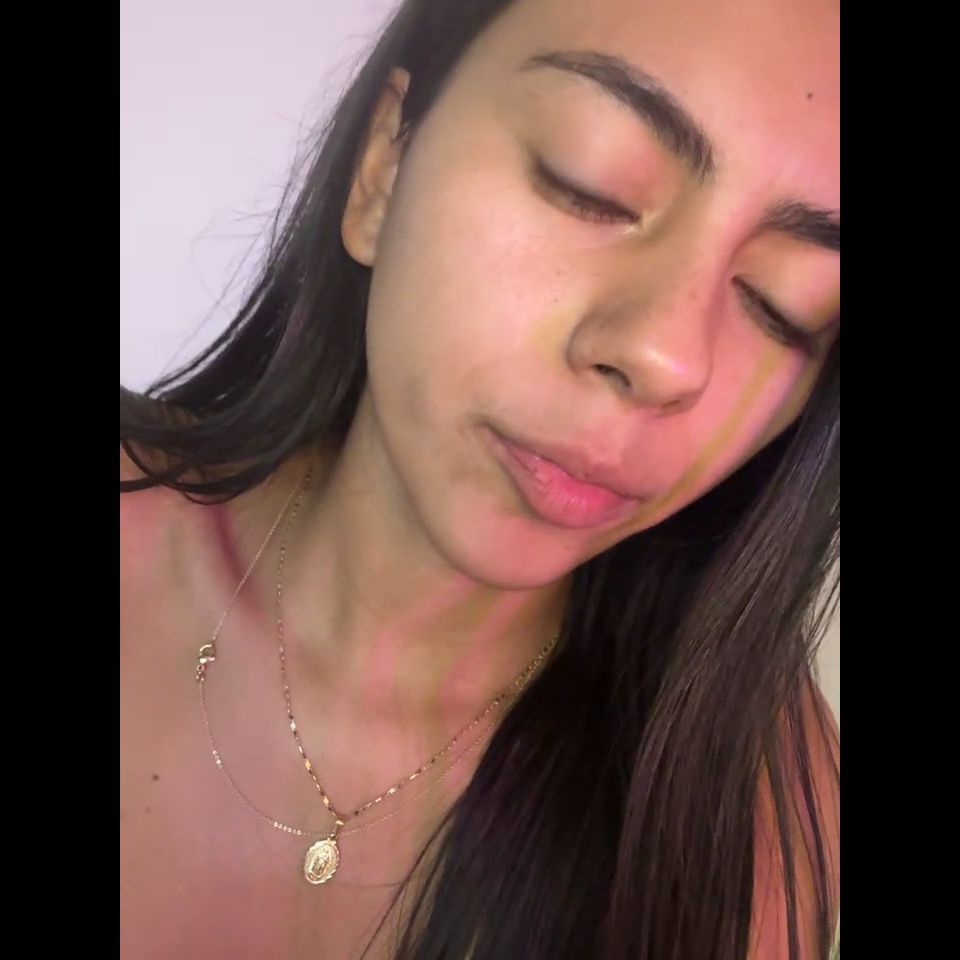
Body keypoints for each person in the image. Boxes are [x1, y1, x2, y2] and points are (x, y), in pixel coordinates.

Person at [120, 0, 840, 957]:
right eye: (589, 185)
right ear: (384, 167)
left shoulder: (758, 814)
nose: (668, 357)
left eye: (783, 306)